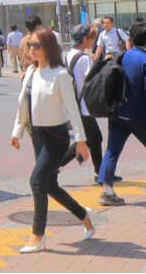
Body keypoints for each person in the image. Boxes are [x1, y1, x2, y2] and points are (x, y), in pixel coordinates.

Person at [10, 28, 94, 253]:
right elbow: (23, 104)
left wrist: (81, 140)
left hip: (56, 137)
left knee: (37, 181)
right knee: (49, 185)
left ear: (48, 48)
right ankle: (84, 217)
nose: (31, 50)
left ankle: (37, 235)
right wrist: (17, 132)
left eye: (36, 46)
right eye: (30, 46)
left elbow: (73, 110)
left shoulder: (61, 75)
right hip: (37, 135)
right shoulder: (30, 72)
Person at [96, 20, 146, 206]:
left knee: (112, 150)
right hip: (139, 115)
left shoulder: (121, 56)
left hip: (117, 112)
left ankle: (106, 191)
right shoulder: (144, 60)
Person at [59, 25, 104, 182]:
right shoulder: (84, 58)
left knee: (93, 139)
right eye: (92, 38)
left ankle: (100, 171)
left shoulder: (68, 54)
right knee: (87, 140)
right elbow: (91, 79)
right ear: (85, 39)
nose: (93, 41)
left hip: (75, 104)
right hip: (84, 106)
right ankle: (54, 166)